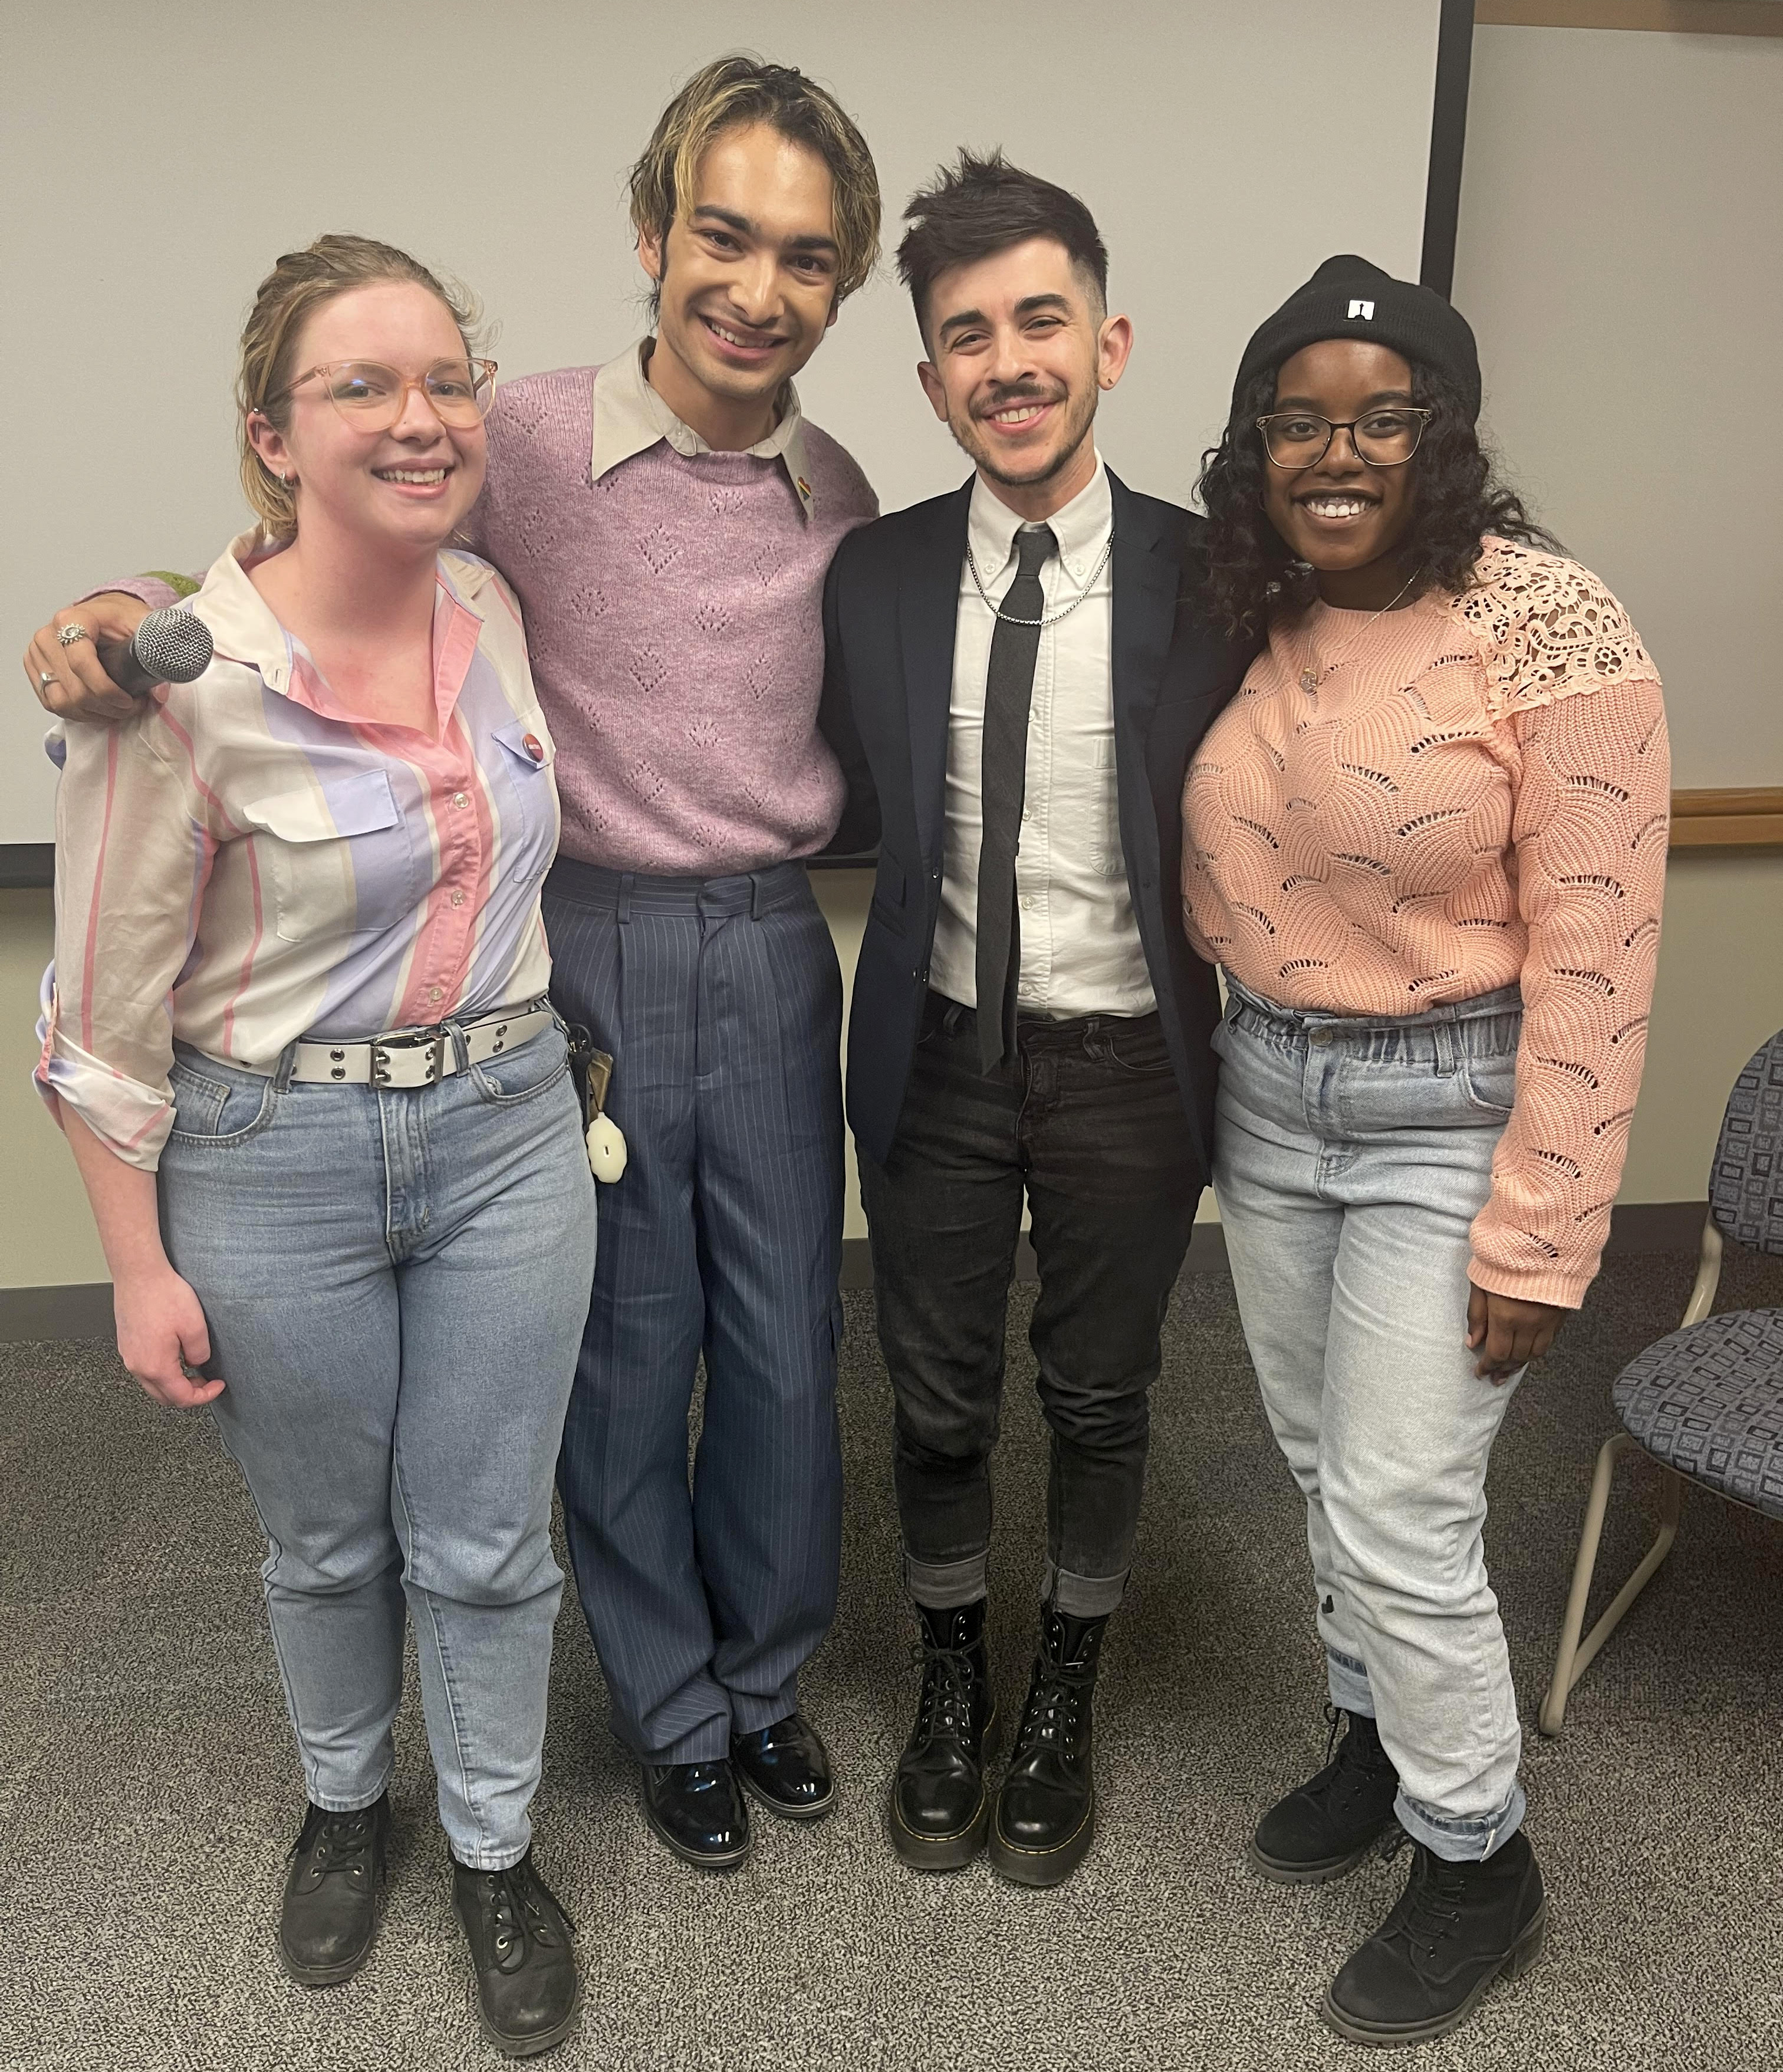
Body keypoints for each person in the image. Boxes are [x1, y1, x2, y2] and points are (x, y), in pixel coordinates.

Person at [28, 57, 883, 1874]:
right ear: (651, 236)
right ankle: (670, 1709)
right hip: (585, 952)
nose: (755, 287)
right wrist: (121, 616)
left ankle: (765, 1669)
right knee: (629, 1346)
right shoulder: (522, 448)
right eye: (721, 235)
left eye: (806, 258)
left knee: (795, 1338)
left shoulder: (839, 479)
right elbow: (298, 571)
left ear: (843, 287)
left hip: (775, 944)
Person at [32, 235, 595, 2058]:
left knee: (492, 1538)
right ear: (275, 435)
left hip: (511, 1125)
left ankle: (496, 1845)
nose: (420, 417)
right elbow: (102, 1019)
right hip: (271, 1156)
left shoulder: (496, 608)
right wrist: (135, 1262)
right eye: (364, 385)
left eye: (446, 379)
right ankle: (352, 1805)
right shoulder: (171, 684)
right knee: (329, 1542)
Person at [1184, 255, 1668, 2046]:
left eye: (1383, 417)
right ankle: (1377, 1735)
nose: (1339, 451)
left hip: (1452, 1109)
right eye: (1299, 421)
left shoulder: (1548, 619)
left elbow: (1606, 949)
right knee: (1330, 1465)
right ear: (1256, 450)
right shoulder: (1244, 600)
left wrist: (1544, 1235)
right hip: (1273, 1092)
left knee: (1402, 1501)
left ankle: (1478, 1857)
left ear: (1443, 435)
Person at [818, 152, 1251, 1887]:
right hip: (932, 1046)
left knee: (1099, 1395)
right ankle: (949, 1671)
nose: (1008, 361)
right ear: (930, 378)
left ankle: (1064, 1679)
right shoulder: (873, 573)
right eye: (966, 335)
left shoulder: (1220, 574)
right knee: (929, 1400)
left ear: (1111, 342)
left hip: (1130, 1057)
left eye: (1040, 321)